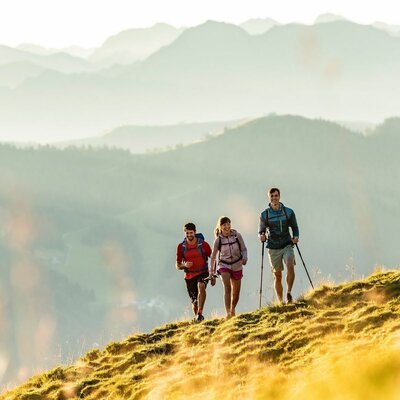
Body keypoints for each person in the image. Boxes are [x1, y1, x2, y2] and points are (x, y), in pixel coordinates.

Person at [258, 187, 299, 304]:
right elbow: (261, 230)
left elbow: (295, 227)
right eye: (272, 196)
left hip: (287, 244)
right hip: (273, 247)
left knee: (290, 265)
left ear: (279, 196)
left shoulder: (288, 212)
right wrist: (261, 236)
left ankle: (289, 292)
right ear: (269, 198)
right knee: (278, 276)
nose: (274, 198)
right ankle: (281, 302)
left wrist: (296, 237)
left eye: (276, 196)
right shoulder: (264, 214)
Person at [210, 216, 248, 319]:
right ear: (220, 227)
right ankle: (228, 313)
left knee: (236, 292)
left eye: (228, 224)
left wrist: (244, 258)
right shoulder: (218, 240)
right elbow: (213, 257)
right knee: (227, 288)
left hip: (237, 264)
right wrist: (211, 273)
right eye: (224, 225)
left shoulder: (237, 236)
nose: (227, 226)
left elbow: (244, 249)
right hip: (224, 265)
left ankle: (232, 309)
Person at [176, 222, 214, 322]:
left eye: (191, 233)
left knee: (201, 285)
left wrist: (212, 274)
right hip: (189, 276)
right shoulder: (181, 247)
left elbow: (213, 258)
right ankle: (198, 318)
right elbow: (178, 265)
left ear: (195, 232)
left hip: (203, 272)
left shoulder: (204, 244)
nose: (189, 235)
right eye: (187, 233)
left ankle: (200, 312)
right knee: (194, 301)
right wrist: (184, 265)